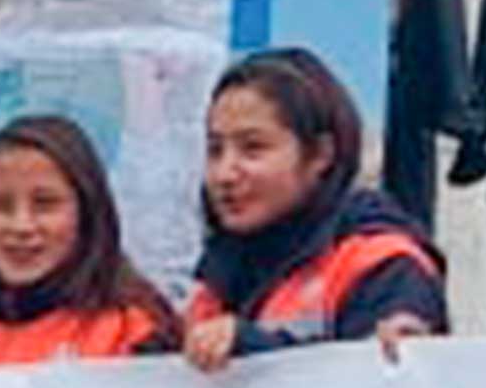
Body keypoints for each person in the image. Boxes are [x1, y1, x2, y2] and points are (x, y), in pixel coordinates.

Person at [178, 47, 446, 363]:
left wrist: (251, 347)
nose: (224, 173)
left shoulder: (380, 266)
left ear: (320, 154)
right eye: (215, 150)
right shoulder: (216, 277)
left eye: (253, 148)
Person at [0, 113, 180, 368]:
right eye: (1, 206)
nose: (22, 225)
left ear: (88, 213)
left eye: (45, 204)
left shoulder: (134, 330)